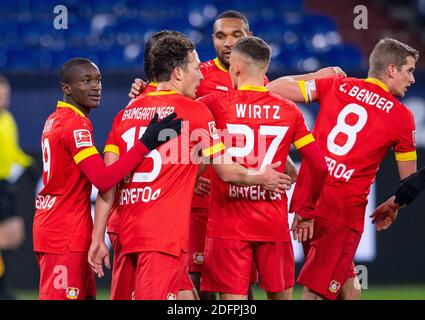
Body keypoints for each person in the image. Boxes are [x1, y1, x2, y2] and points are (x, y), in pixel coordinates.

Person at [88, 34, 292, 300]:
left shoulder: (126, 113)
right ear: (178, 73)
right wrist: (261, 176)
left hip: (125, 233)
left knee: (189, 299)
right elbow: (227, 171)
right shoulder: (194, 112)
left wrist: (98, 237)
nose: (201, 77)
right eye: (196, 69)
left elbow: (108, 183)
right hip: (162, 238)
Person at [267, 38, 419, 300]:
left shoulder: (337, 84)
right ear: (392, 69)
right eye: (409, 70)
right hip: (342, 212)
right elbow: (410, 183)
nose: (413, 79)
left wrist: (317, 74)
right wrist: (394, 205)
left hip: (308, 201)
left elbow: (273, 88)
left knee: (349, 289)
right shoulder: (402, 117)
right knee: (317, 293)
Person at [33, 58, 183, 300]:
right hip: (64, 235)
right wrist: (146, 143)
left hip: (59, 228)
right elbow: (103, 180)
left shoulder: (56, 118)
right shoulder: (74, 125)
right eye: (86, 80)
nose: (96, 87)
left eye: (98, 80)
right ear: (67, 88)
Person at [197, 36, 327, 300]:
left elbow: (170, 113)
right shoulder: (289, 111)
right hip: (273, 222)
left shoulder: (213, 105)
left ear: (235, 67)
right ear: (265, 69)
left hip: (228, 223)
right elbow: (320, 166)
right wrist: (306, 210)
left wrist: (143, 89)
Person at [0, 75, 32, 299]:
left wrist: (28, 164)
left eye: (6, 95)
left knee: (14, 236)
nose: (4, 99)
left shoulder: (8, 119)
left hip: (7, 187)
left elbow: (12, 153)